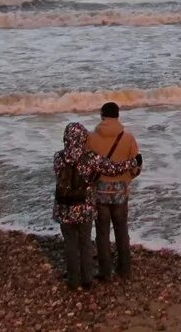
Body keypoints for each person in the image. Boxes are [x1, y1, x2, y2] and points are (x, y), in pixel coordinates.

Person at [53, 122, 140, 290]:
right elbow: (113, 169)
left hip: (64, 207)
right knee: (85, 243)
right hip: (84, 207)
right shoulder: (90, 158)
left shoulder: (58, 157)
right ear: (83, 137)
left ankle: (73, 280)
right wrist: (133, 162)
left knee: (70, 244)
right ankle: (87, 280)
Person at [86, 102, 141, 280]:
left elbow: (87, 166)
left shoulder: (91, 138)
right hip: (120, 191)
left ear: (102, 115)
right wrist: (126, 179)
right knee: (121, 229)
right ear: (118, 116)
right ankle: (125, 269)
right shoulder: (128, 138)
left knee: (102, 232)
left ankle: (105, 272)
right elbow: (135, 167)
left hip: (99, 192)